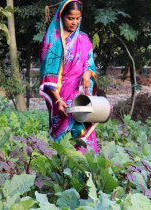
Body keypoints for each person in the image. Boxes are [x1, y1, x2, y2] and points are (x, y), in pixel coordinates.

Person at [39, 0, 98, 154]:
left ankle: (85, 173)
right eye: (70, 18)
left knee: (84, 134)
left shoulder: (83, 39)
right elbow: (48, 74)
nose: (74, 22)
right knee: (61, 138)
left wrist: (88, 73)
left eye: (78, 18)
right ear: (61, 17)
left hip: (80, 96)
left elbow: (89, 63)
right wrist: (57, 99)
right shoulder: (53, 40)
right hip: (61, 98)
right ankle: (60, 173)